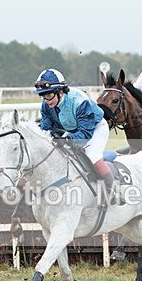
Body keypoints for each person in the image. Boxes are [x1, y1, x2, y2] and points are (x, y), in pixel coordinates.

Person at [35, 68, 119, 204]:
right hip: (74, 129)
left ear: (60, 91)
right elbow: (46, 129)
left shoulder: (79, 101)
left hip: (95, 128)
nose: (46, 100)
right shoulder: (46, 105)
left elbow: (85, 133)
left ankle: (114, 190)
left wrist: (67, 139)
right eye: (43, 95)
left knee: (92, 155)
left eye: (49, 95)